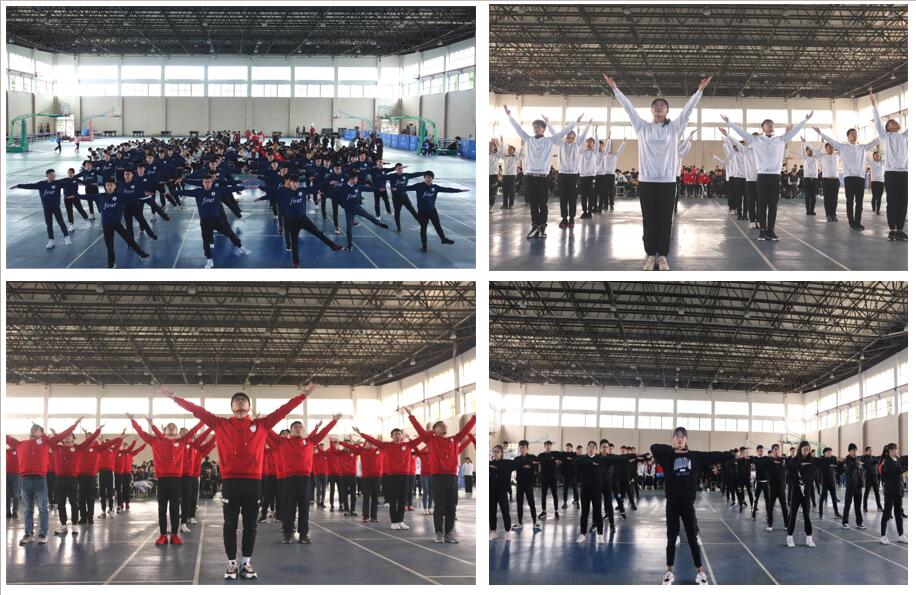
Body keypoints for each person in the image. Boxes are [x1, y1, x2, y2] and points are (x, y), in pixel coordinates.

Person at [166, 384, 315, 580]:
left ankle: (246, 562)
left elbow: (283, 410)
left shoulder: (262, 424)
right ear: (232, 407)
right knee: (229, 525)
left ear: (249, 406)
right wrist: (176, 398)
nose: (240, 402)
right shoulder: (220, 424)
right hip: (231, 482)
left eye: (243, 400)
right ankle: (231, 563)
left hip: (253, 482)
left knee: (251, 525)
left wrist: (302, 396)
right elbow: (198, 411)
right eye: (237, 400)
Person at [604, 73, 712, 270]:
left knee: (665, 220)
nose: (659, 107)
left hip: (667, 182)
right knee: (649, 220)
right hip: (647, 181)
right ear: (651, 110)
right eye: (656, 105)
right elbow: (628, 109)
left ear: (667, 110)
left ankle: (662, 255)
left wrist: (699, 91)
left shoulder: (675, 128)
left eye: (663, 105)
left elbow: (688, 110)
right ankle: (649, 255)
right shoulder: (642, 127)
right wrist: (615, 89)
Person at [651, 427, 733, 585]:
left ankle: (700, 573)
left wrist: (730, 455)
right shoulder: (667, 457)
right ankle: (669, 572)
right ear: (673, 440)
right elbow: (654, 447)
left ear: (686, 439)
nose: (679, 439)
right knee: (671, 538)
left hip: (687, 503)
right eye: (677, 437)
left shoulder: (695, 457)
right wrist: (675, 451)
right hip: (672, 503)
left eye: (682, 437)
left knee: (692, 539)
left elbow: (714, 455)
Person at [722, 110, 812, 240]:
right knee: (762, 204)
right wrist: (729, 123)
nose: (770, 126)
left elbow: (795, 131)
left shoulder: (780, 139)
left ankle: (771, 230)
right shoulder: (756, 140)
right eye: (767, 124)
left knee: (773, 204)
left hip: (775, 176)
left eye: (772, 124)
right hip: (762, 176)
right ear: (762, 128)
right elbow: (741, 132)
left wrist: (805, 120)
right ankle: (762, 231)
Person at [504, 105, 582, 238]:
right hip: (530, 176)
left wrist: (575, 122)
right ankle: (535, 224)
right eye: (534, 127)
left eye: (539, 127)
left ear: (544, 129)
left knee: (542, 203)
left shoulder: (550, 141)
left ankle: (542, 226)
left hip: (543, 177)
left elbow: (563, 132)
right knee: (533, 203)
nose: (536, 128)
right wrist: (509, 116)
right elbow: (518, 129)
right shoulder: (528, 139)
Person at [6, 417, 83, 545]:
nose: (33, 429)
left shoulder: (46, 443)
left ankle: (43, 534)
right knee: (27, 510)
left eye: (37, 429)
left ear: (42, 433)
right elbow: (6, 438)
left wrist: (74, 425)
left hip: (40, 480)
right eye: (32, 428)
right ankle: (28, 534)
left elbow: (61, 436)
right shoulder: (20, 444)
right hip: (25, 480)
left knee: (43, 508)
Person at [129, 415, 204, 545]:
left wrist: (204, 420)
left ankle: (174, 535)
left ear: (177, 432)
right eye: (169, 427)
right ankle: (163, 535)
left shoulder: (182, 441)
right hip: (162, 480)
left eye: (174, 427)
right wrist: (133, 421)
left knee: (174, 508)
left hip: (176, 480)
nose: (171, 428)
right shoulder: (155, 441)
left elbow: (193, 431)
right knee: (162, 509)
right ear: (165, 431)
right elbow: (141, 433)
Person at [406, 410, 476, 542]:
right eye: (440, 425)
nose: (444, 427)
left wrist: (474, 418)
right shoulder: (431, 440)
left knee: (451, 507)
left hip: (452, 477)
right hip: (438, 477)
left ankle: (449, 533)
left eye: (445, 425)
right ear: (434, 430)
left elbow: (466, 430)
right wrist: (411, 416)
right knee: (439, 506)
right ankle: (438, 533)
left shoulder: (454, 439)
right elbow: (419, 429)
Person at [269, 416, 340, 543]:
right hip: (289, 480)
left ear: (303, 431)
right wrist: (260, 421)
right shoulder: (283, 441)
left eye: (300, 427)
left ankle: (303, 535)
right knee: (289, 508)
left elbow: (323, 432)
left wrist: (334, 421)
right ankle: (287, 534)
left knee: (304, 508)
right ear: (291, 431)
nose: (298, 429)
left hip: (305, 479)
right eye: (295, 427)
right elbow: (268, 431)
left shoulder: (310, 441)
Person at [353, 421, 423, 530]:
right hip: (392, 476)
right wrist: (361, 433)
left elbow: (422, 437)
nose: (397, 435)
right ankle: (393, 522)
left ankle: (400, 521)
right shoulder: (386, 446)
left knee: (402, 500)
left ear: (402, 435)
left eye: (399, 434)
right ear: (391, 436)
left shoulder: (408, 445)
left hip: (405, 475)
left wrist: (427, 431)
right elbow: (373, 440)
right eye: (395, 434)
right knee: (393, 500)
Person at [812, 126, 879, 231]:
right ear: (848, 137)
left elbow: (875, 141)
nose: (854, 135)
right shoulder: (843, 147)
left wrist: (885, 133)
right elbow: (831, 140)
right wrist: (821, 133)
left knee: (859, 202)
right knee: (850, 201)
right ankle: (851, 222)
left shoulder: (863, 147)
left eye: (855, 133)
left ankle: (858, 222)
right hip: (849, 178)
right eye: (852, 133)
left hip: (860, 178)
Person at [870, 90, 907, 240]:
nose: (895, 122)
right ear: (888, 128)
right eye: (891, 122)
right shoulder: (885, 137)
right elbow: (878, 122)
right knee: (892, 202)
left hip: (905, 173)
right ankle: (892, 230)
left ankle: (900, 229)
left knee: (903, 202)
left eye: (896, 121)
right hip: (891, 173)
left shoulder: (905, 136)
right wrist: (874, 104)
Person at [92, 178, 150, 268]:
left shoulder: (120, 195)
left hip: (117, 224)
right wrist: (76, 196)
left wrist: (143, 193)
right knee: (110, 246)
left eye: (111, 185)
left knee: (129, 239)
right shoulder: (101, 196)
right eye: (107, 185)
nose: (109, 187)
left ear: (115, 186)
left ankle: (141, 254)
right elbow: (87, 196)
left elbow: (132, 195)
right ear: (105, 186)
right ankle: (111, 264)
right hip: (106, 225)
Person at [403, 172, 466, 252]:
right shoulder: (419, 186)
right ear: (424, 178)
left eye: (430, 178)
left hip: (432, 210)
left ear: (432, 178)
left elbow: (446, 189)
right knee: (423, 228)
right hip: (422, 212)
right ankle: (424, 245)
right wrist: (396, 188)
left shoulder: (435, 187)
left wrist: (459, 190)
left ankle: (443, 239)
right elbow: (407, 188)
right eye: (427, 177)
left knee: (437, 225)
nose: (428, 179)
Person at [10, 169, 72, 249]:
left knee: (61, 222)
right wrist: (18, 186)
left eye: (54, 174)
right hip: (46, 208)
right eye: (52, 175)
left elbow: (70, 184)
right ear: (48, 175)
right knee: (49, 224)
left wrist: (81, 183)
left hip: (56, 207)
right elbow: (30, 186)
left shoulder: (58, 183)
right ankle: (51, 241)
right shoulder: (41, 184)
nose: (54, 176)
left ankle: (66, 236)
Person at [785, 441, 817, 548]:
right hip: (796, 490)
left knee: (806, 514)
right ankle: (790, 537)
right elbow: (790, 472)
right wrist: (798, 481)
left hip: (806, 490)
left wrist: (806, 483)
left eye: (808, 449)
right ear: (800, 449)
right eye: (804, 449)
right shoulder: (795, 460)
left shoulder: (811, 460)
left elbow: (813, 473)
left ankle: (809, 538)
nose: (806, 451)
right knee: (793, 513)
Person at [878, 442, 907, 544]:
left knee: (898, 514)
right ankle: (883, 536)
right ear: (890, 451)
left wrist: (902, 489)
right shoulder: (887, 462)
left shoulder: (897, 460)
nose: (897, 451)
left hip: (898, 491)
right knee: (887, 514)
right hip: (890, 491)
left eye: (897, 449)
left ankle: (901, 535)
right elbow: (898, 471)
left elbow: (900, 476)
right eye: (895, 449)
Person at [489, 444, 514, 540]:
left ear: (501, 453)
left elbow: (517, 463)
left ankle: (508, 531)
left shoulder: (506, 463)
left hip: (502, 492)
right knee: (492, 512)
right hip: (491, 492)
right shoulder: (489, 463)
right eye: (494, 451)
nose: (495, 453)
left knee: (505, 512)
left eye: (497, 452)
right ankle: (493, 531)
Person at [535, 441, 564, 519]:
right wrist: (553, 460)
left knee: (555, 494)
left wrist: (560, 461)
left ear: (551, 446)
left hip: (553, 477)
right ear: (544, 446)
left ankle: (556, 511)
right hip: (544, 477)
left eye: (549, 445)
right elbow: (541, 461)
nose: (548, 446)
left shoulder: (555, 453)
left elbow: (563, 456)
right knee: (543, 495)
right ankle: (544, 511)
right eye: (546, 445)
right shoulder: (541, 455)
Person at [841, 443, 866, 529]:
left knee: (858, 506)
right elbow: (849, 470)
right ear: (849, 451)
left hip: (858, 486)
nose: (855, 452)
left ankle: (859, 522)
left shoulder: (858, 459)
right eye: (853, 450)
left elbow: (861, 472)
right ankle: (845, 522)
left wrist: (862, 482)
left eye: (855, 450)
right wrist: (856, 463)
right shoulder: (847, 460)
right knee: (847, 504)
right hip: (850, 486)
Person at [815, 447, 841, 519]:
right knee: (822, 498)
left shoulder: (833, 458)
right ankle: (820, 513)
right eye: (829, 452)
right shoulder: (821, 460)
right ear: (825, 453)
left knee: (834, 498)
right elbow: (819, 464)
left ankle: (836, 512)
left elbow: (836, 465)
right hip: (825, 482)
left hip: (832, 481)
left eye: (830, 452)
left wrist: (833, 464)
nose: (830, 453)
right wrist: (830, 464)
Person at [862, 446, 884, 512]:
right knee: (866, 493)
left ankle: (879, 507)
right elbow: (868, 463)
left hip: (875, 478)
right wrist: (874, 461)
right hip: (868, 478)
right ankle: (865, 507)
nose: (871, 451)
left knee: (877, 493)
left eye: (871, 450)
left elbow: (879, 459)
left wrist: (883, 454)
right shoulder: (864, 458)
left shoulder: (874, 457)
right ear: (866, 451)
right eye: (869, 450)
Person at [560, 443, 579, 509]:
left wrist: (571, 459)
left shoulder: (574, 454)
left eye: (569, 447)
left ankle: (577, 501)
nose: (567, 448)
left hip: (573, 474)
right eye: (567, 447)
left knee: (575, 488)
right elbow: (562, 459)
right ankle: (565, 502)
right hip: (565, 475)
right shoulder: (564, 454)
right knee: (565, 489)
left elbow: (576, 460)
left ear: (571, 448)